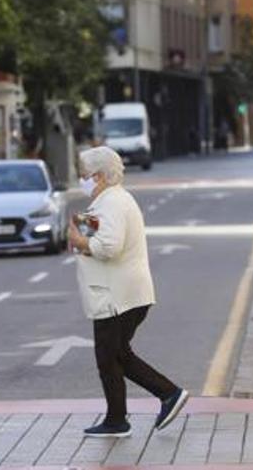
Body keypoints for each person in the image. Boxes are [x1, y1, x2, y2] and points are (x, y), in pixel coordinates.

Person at [67, 146, 188, 438]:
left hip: (115, 296)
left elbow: (109, 246)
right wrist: (83, 227)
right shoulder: (113, 200)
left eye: (84, 175)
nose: (81, 180)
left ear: (98, 176)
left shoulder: (111, 203)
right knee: (116, 355)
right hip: (123, 293)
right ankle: (120, 417)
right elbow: (103, 233)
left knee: (110, 357)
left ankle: (165, 395)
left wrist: (77, 240)